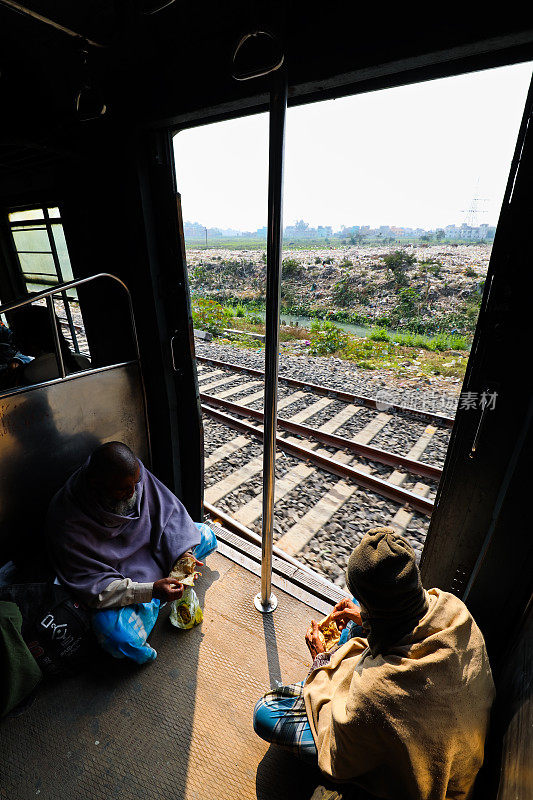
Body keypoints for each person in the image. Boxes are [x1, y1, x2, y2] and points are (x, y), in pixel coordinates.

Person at [253, 527, 495, 800]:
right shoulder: (453, 607)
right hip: (455, 750)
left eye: (369, 610)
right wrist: (365, 618)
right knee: (351, 627)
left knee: (266, 711)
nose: (363, 613)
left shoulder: (376, 691)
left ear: (379, 613)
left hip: (417, 778)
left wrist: (320, 663)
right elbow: (403, 628)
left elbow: (340, 751)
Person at [46, 441, 217, 663]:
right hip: (127, 583)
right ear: (95, 484)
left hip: (157, 554)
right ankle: (155, 602)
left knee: (205, 534)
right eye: (123, 489)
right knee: (118, 639)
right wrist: (151, 591)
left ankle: (157, 600)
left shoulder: (135, 477)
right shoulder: (66, 520)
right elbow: (94, 586)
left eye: (136, 484)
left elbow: (170, 515)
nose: (132, 493)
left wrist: (183, 555)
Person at [9, 304, 91, 386]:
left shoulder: (29, 373)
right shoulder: (83, 361)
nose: (13, 338)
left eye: (15, 333)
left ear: (27, 338)